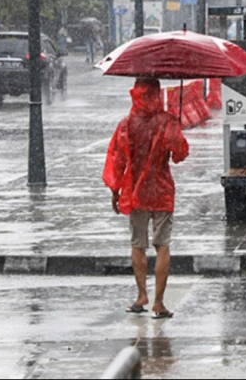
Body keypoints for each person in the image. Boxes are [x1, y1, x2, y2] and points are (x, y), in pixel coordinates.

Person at [102, 77, 189, 319]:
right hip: (162, 191)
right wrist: (176, 128)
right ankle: (159, 302)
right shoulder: (167, 121)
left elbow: (116, 160)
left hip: (136, 192)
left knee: (137, 244)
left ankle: (141, 296)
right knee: (162, 245)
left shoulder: (126, 124)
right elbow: (179, 154)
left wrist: (115, 192)